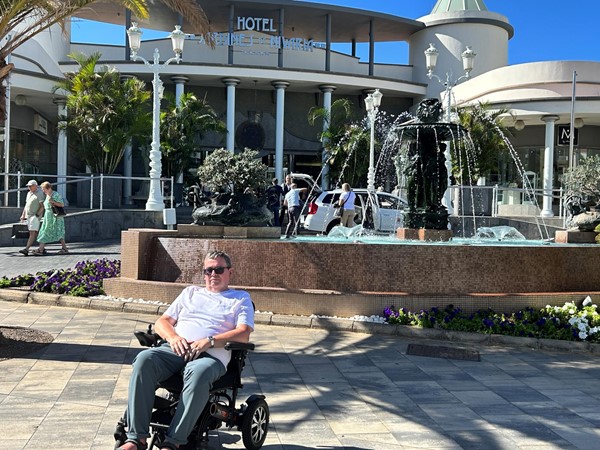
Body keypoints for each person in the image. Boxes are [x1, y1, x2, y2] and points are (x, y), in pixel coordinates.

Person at [118, 251, 255, 450]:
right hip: (176, 349)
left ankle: (173, 443)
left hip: (210, 355)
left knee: (197, 373)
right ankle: (135, 439)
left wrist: (209, 341)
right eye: (208, 270)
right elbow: (162, 322)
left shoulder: (240, 298)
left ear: (230, 272)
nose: (213, 274)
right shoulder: (190, 293)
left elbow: (243, 333)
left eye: (218, 269)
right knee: (144, 360)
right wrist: (173, 337)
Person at [34, 181, 68, 255]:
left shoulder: (55, 195)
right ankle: (63, 248)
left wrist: (53, 202)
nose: (43, 191)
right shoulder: (47, 195)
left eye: (43, 189)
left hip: (55, 217)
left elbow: (62, 204)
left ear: (48, 188)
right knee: (46, 231)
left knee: (56, 232)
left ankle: (41, 249)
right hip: (48, 216)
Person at [18, 180, 45, 256]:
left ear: (35, 186)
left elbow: (42, 206)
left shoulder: (39, 193)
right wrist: (23, 215)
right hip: (29, 216)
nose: (29, 187)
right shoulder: (29, 193)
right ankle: (42, 247)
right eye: (28, 186)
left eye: (30, 186)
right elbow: (26, 205)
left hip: (34, 216)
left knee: (32, 233)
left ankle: (26, 249)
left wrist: (37, 214)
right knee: (35, 233)